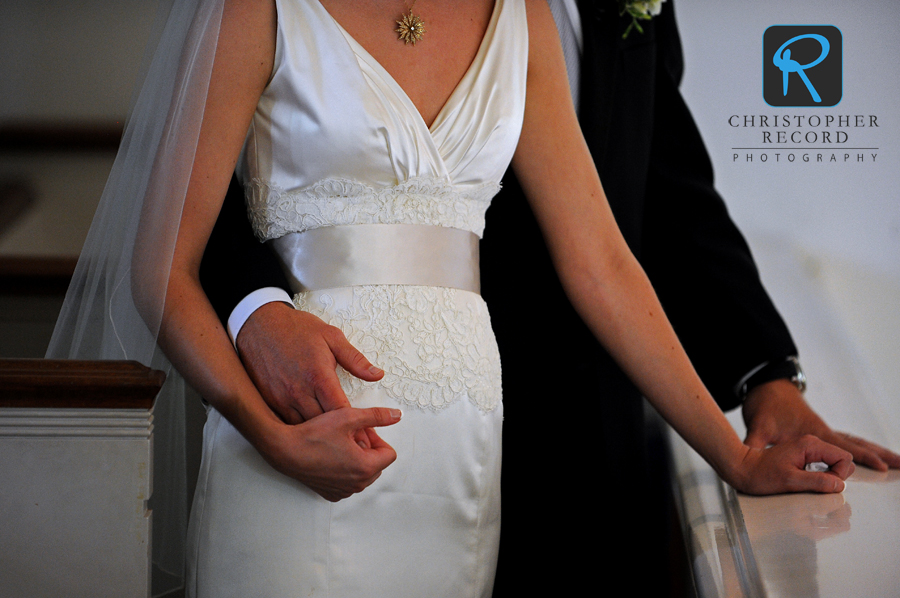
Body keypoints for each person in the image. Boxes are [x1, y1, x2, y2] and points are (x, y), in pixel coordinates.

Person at [51, 0, 867, 596]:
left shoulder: (524, 19)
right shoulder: (257, 7)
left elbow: (604, 264)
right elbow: (161, 267)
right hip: (302, 439)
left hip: (459, 463)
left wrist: (735, 457)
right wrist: (266, 433)